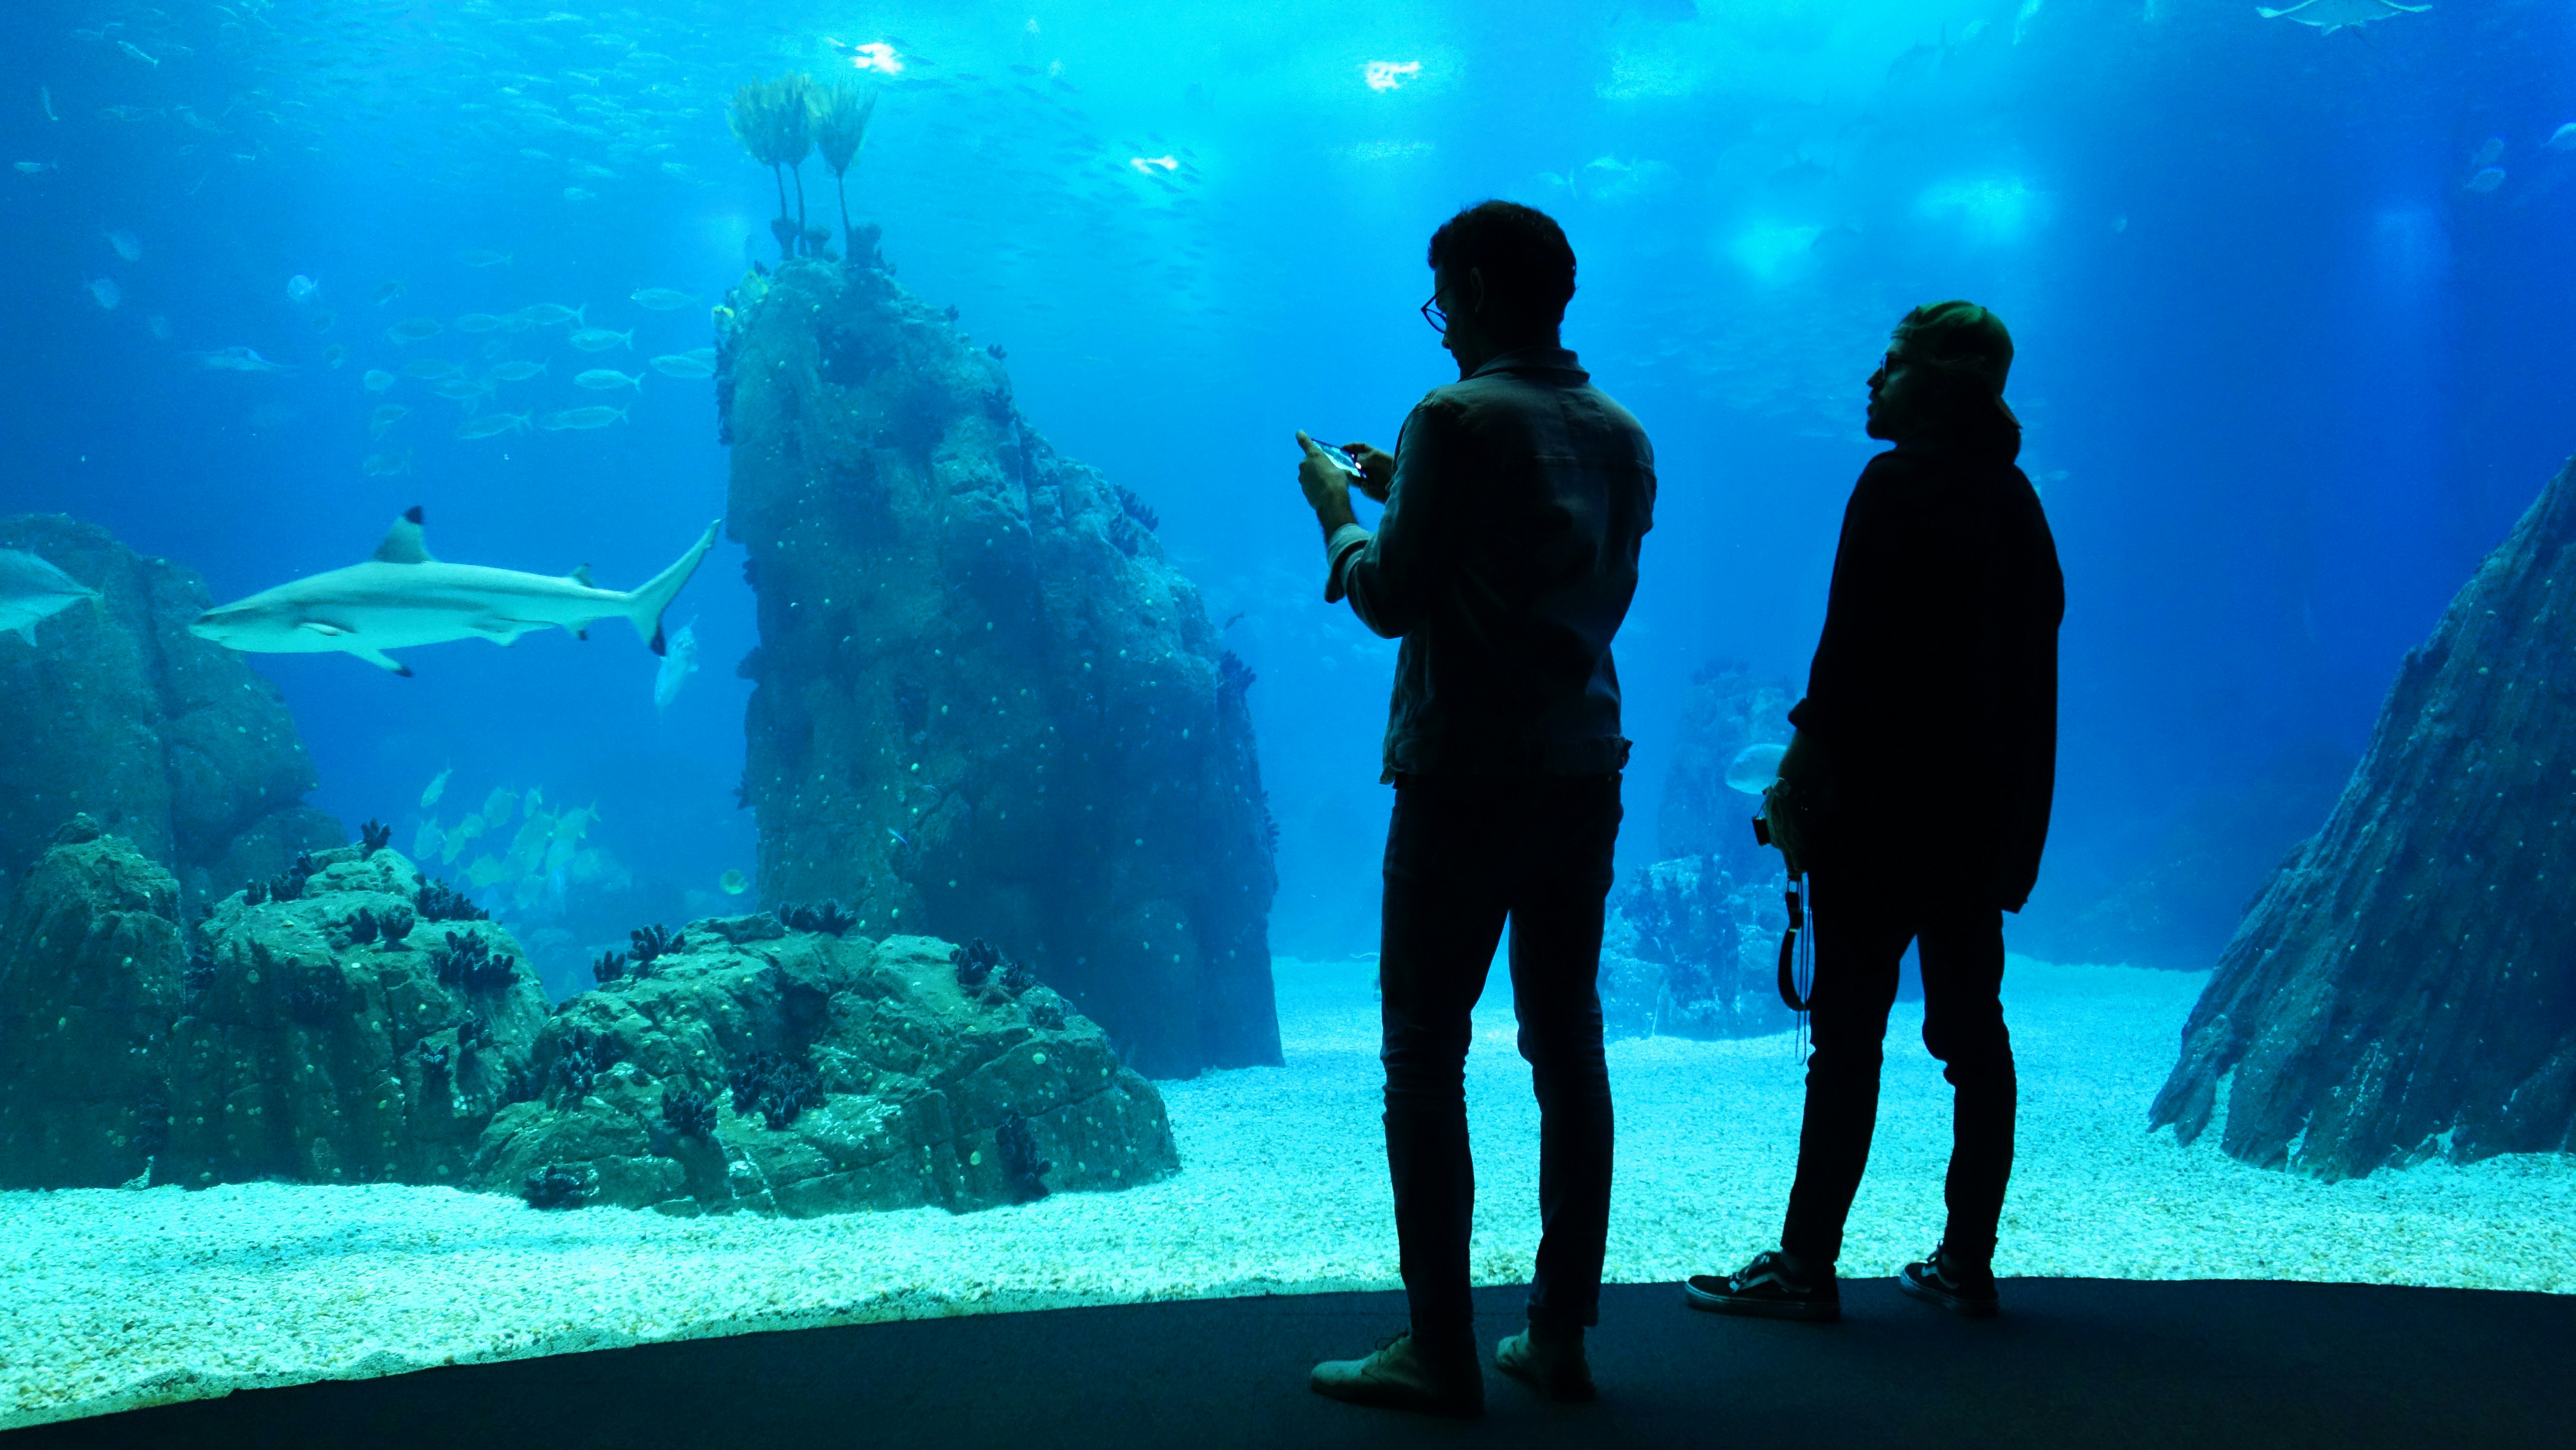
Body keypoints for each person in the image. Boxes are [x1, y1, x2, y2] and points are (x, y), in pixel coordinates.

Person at [1296, 201, 1655, 1417]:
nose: (1438, 316)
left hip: (1462, 779)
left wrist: (1342, 516)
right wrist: (1419, 497)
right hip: (1581, 770)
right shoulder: (1622, 434)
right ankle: (1559, 1335)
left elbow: (1394, 597)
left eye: (1442, 291)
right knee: (1568, 1045)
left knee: (1423, 1055)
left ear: (1484, 291)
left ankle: (1439, 1347)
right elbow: (1545, 563)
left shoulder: (1451, 416)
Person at [1686, 301, 2063, 1324]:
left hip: (1881, 819)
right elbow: (2032, 689)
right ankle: (1968, 1262)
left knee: (1847, 1038)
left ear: (1940, 378)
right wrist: (2015, 832)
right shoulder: (2021, 504)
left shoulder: (1894, 485)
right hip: (1974, 826)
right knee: (1973, 1035)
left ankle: (1807, 1267)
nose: (1871, 381)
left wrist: (1796, 777)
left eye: (1889, 364)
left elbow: (1848, 655)